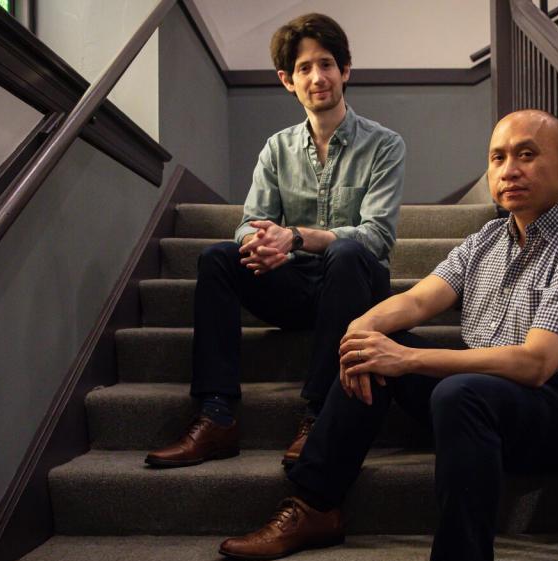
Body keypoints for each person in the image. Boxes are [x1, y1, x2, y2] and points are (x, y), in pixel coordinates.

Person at [217, 108, 558, 561]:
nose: (510, 169)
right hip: (484, 400)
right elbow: (417, 301)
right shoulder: (486, 239)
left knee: (456, 391)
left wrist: (405, 356)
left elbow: (535, 364)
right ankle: (316, 504)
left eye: (527, 154)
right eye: (498, 157)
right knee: (379, 347)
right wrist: (362, 331)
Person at [145, 14, 405, 468]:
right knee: (218, 259)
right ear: (288, 80)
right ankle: (217, 415)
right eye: (304, 68)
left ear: (345, 70)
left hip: (357, 290)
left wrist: (297, 237)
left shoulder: (384, 145)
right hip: (297, 287)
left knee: (347, 251)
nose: (317, 77)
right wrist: (259, 243)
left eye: (326, 64)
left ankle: (321, 414)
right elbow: (250, 221)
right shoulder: (276, 149)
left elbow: (377, 237)